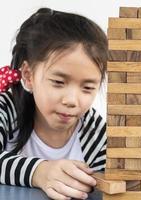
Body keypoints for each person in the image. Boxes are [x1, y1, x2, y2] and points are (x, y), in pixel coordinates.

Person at [0, 7, 107, 200]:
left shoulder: (95, 133)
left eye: (88, 88)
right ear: (28, 75)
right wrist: (39, 172)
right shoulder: (6, 108)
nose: (72, 101)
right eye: (58, 82)